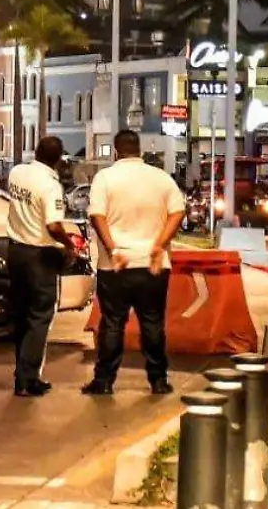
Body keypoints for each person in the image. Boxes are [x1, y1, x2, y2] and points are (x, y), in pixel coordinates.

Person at [82, 129, 185, 396]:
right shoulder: (161, 178)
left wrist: (113, 248)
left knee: (113, 323)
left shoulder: (105, 178)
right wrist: (158, 244)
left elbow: (97, 216)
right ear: (139, 150)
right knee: (152, 323)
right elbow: (178, 212)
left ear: (116, 151)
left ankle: (104, 381)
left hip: (116, 265)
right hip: (153, 264)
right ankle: (158, 381)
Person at [5, 136, 75, 397]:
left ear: (36, 152)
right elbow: (54, 226)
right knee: (39, 317)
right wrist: (70, 245)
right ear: (58, 159)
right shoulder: (50, 186)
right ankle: (27, 379)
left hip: (15, 250)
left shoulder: (18, 172)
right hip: (39, 256)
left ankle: (21, 373)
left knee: (23, 316)